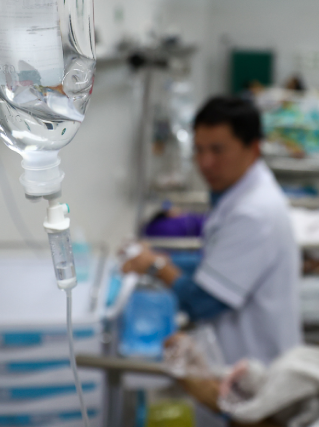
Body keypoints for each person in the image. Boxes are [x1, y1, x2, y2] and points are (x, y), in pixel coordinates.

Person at [122, 96, 301, 365]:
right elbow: (212, 264)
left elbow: (201, 303)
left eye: (217, 150)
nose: (205, 163)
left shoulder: (254, 212)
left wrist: (156, 265)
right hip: (241, 362)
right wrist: (158, 258)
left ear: (253, 148)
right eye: (199, 150)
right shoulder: (237, 195)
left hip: (257, 368)